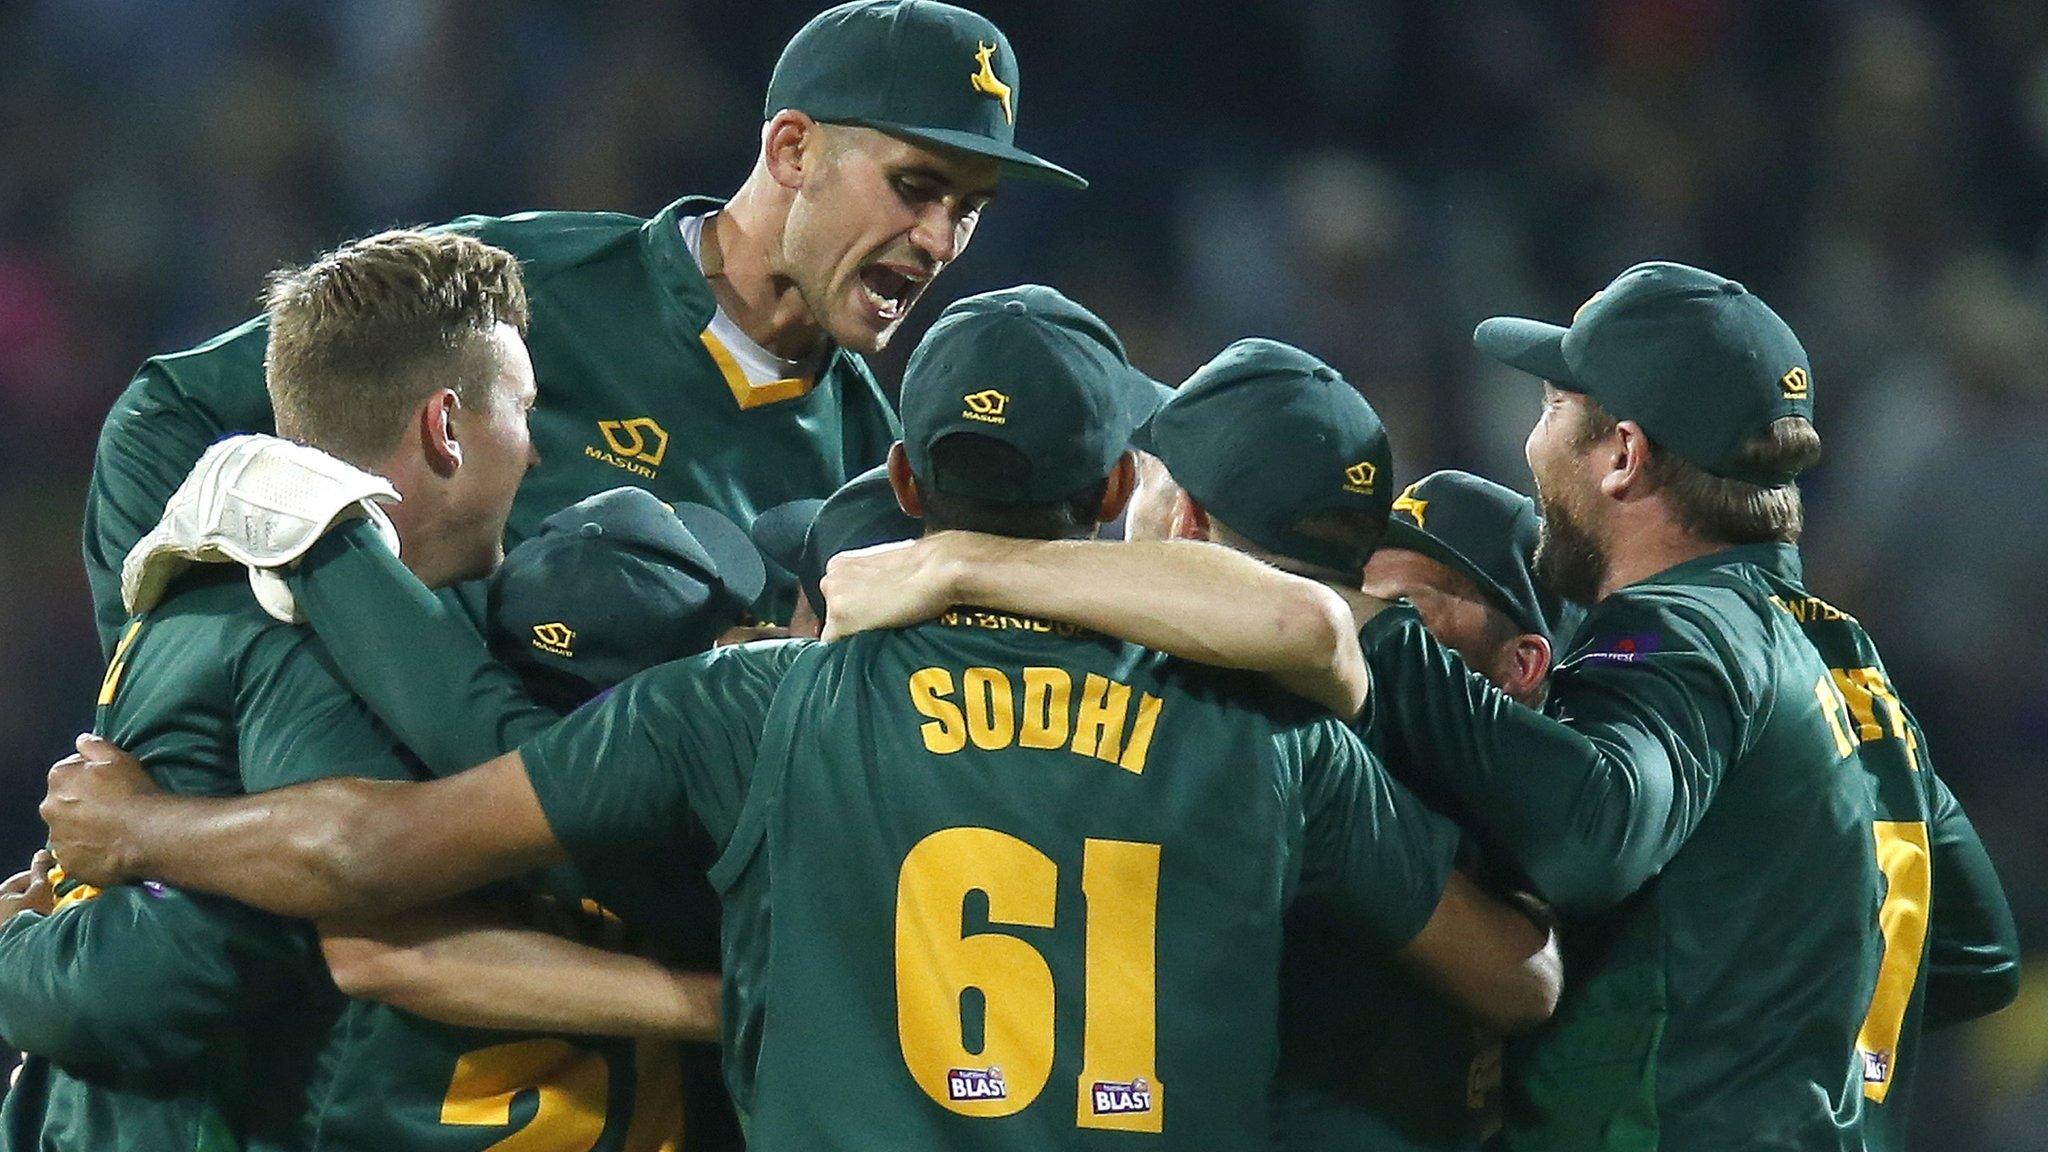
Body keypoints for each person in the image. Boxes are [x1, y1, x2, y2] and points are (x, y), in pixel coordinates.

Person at [42, 286, 1558, 1149]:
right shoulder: (1272, 735)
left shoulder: (756, 704)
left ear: (896, 484)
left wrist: (143, 826)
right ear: (1118, 496)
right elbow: (1519, 980)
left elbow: (375, 871)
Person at [817, 263, 2023, 1151]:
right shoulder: (1845, 662)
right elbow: (1967, 953)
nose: (1530, 436)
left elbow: (1596, 829)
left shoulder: (1684, 636)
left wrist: (1367, 627)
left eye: (1553, 406)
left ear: (1623, 457)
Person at [5, 231, 744, 1152]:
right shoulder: (300, 640)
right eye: (523, 412)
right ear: (445, 427)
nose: (539, 456)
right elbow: (158, 983)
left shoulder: (237, 604)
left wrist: (41, 925)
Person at [81, 0, 1084, 653]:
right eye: (915, 187)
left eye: (970, 207)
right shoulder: (525, 287)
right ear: (790, 149)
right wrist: (171, 705)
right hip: (352, 889)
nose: (940, 239)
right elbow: (166, 410)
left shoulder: (873, 462)